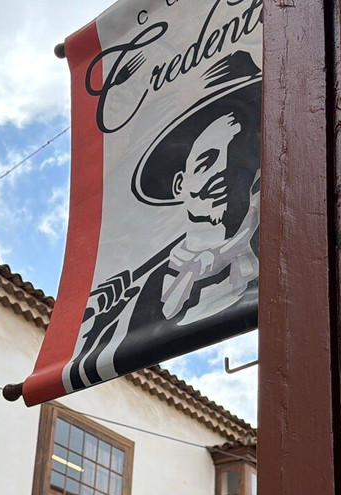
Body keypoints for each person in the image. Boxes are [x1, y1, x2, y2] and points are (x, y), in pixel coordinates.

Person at [66, 51, 261, 391]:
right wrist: (94, 331)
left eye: (237, 156)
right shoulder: (130, 300)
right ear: (179, 184)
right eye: (206, 162)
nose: (222, 172)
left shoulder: (280, 253)